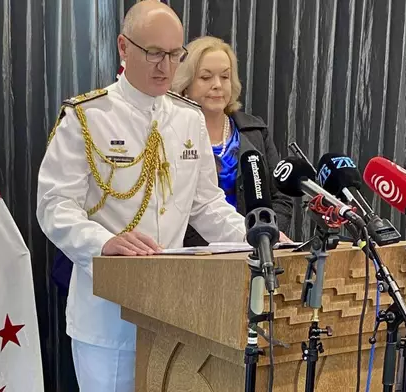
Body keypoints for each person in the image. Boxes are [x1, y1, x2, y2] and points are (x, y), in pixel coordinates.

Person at [36, 2, 248, 391]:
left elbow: (206, 203)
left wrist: (257, 241)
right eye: (153, 52)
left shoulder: (188, 117)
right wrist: (103, 242)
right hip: (106, 318)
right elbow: (54, 206)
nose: (165, 66)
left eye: (174, 54)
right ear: (123, 47)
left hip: (175, 315)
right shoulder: (87, 116)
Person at [171, 36, 294, 246]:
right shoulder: (172, 134)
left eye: (225, 77)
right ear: (185, 84)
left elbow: (281, 197)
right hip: (194, 259)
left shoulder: (255, 131)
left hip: (255, 253)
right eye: (206, 77)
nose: (217, 85)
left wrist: (266, 235)